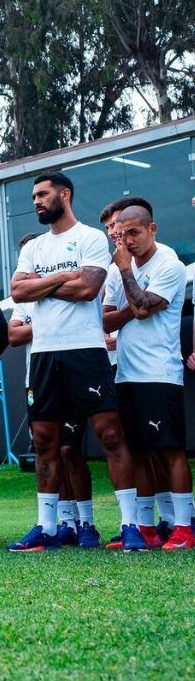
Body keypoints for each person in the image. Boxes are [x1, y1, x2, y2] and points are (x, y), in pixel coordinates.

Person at [9, 171, 145, 552]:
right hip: (43, 355)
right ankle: (47, 527)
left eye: (42, 194)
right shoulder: (33, 247)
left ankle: (130, 524)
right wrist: (63, 276)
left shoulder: (90, 237)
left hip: (85, 351)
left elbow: (87, 288)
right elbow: (17, 290)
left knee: (111, 436)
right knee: (45, 442)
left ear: (64, 194)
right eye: (34, 197)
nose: (36, 202)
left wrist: (43, 283)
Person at [102, 205, 193, 550]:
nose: (127, 241)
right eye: (121, 234)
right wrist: (133, 302)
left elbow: (142, 309)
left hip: (160, 372)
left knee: (170, 451)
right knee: (137, 452)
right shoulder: (117, 270)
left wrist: (127, 273)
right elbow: (106, 320)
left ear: (152, 229)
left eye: (134, 233)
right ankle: (146, 526)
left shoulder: (169, 265)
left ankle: (184, 526)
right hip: (126, 373)